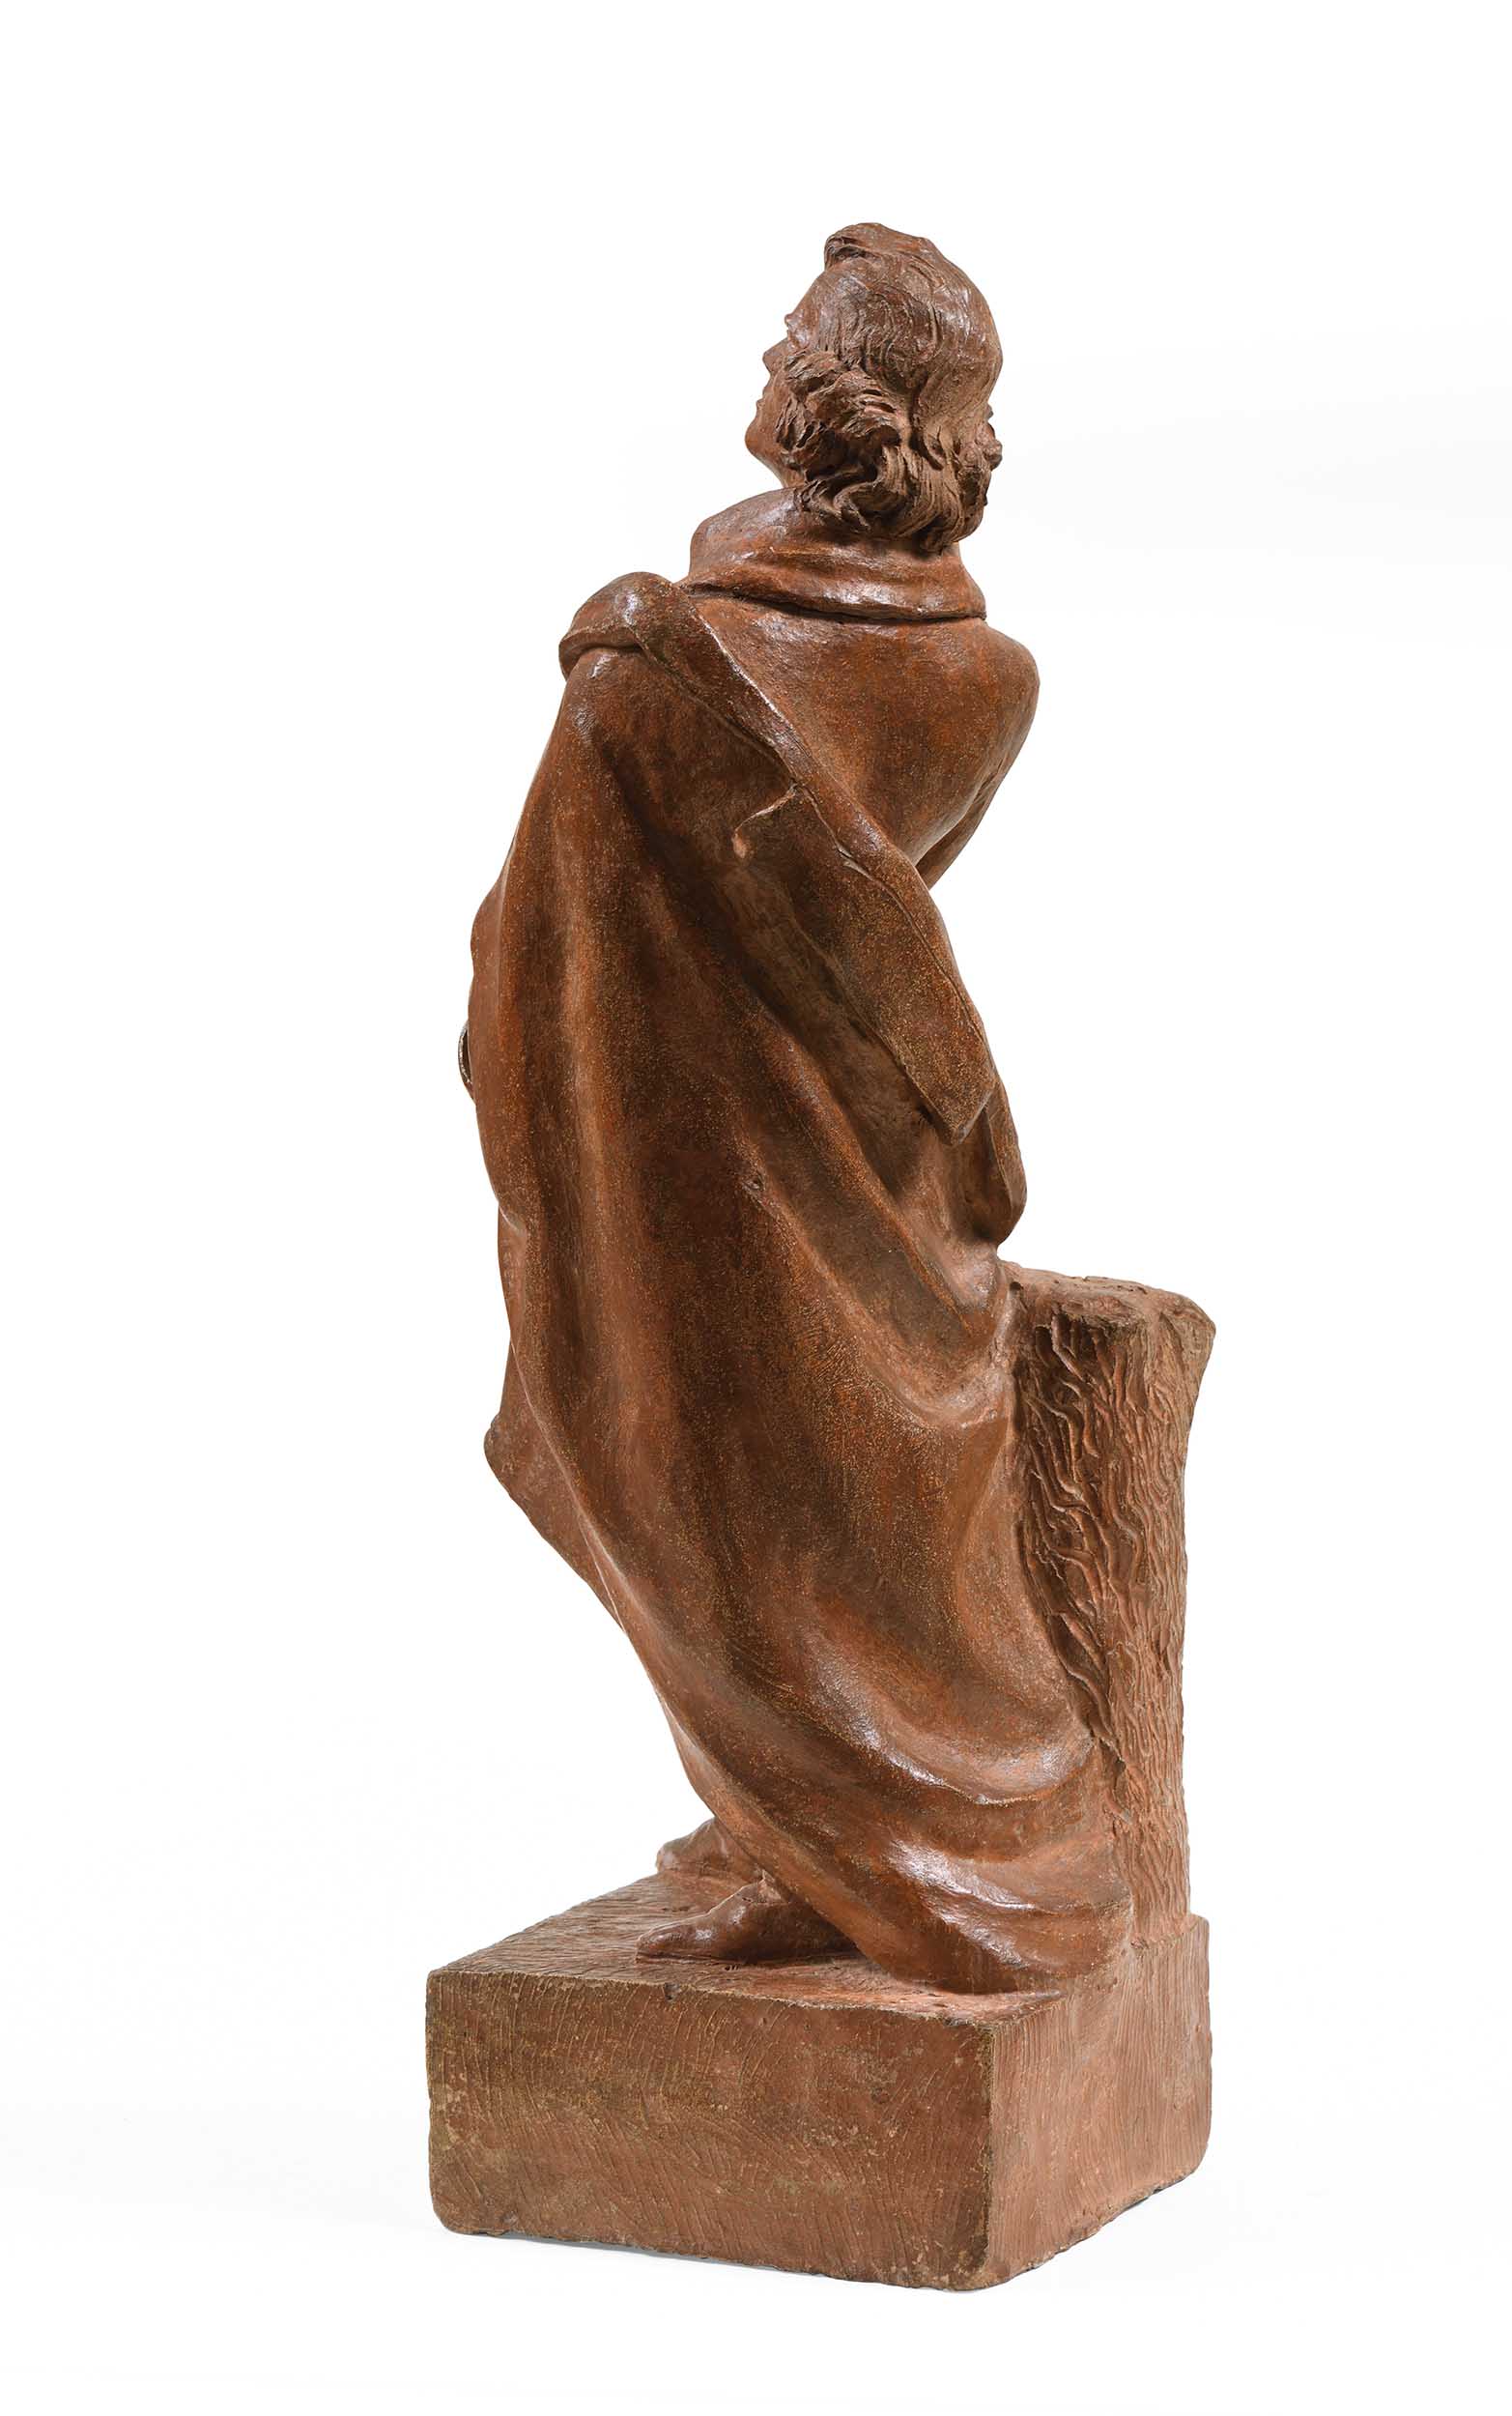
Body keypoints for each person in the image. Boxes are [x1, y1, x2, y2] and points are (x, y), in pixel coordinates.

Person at [463, 225, 1131, 1992]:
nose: (767, 360)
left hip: (741, 1172)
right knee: (792, 1530)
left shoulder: (670, 660)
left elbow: (596, 933)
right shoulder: (955, 668)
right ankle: (802, 1831)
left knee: (770, 1524)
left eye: (796, 341)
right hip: (810, 1155)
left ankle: (918, 1857)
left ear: (856, 402)